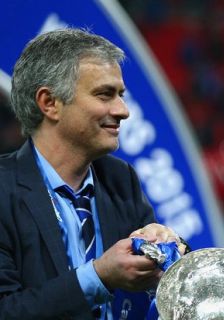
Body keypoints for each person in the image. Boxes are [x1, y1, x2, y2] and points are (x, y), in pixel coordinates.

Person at [0, 29, 187, 319]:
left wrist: (170, 245)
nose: (123, 111)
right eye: (105, 94)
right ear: (49, 103)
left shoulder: (119, 178)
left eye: (121, 95)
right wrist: (98, 277)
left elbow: (169, 279)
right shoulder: (3, 189)